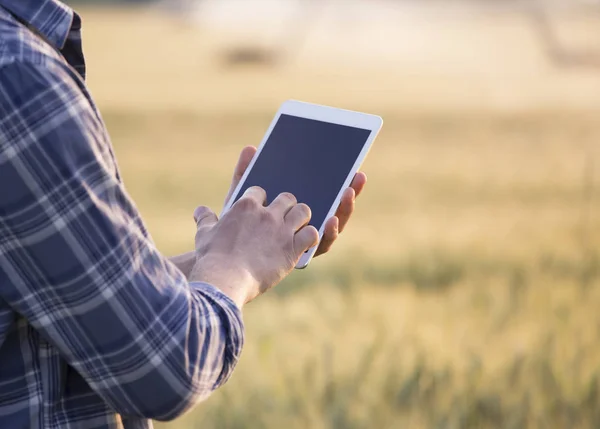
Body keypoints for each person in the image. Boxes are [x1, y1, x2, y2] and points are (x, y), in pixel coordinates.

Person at [0, 1, 367, 428]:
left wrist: (223, 254)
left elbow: (62, 302)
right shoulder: (17, 77)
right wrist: (236, 267)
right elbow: (167, 366)